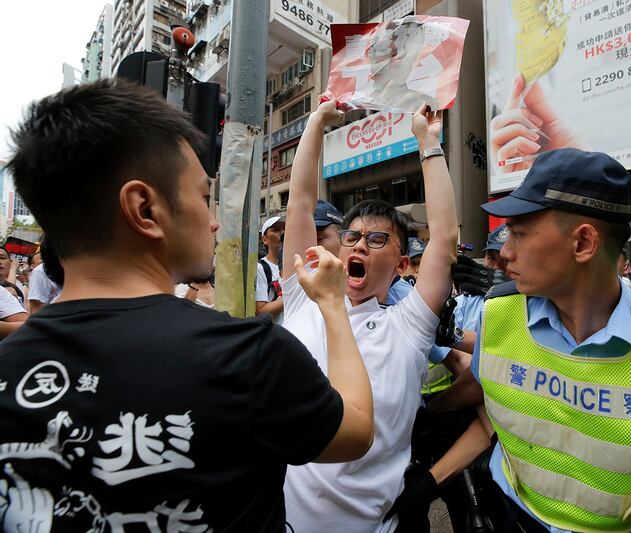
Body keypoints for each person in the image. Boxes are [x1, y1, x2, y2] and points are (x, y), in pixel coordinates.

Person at [0, 79, 375, 531]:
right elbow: (355, 431)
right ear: (144, 209)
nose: (214, 220)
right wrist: (333, 305)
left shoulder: (9, 368)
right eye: (202, 195)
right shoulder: (244, 355)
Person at [395, 148, 631, 532]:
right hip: (510, 519)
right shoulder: (499, 316)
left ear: (583, 244)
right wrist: (429, 430)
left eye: (519, 234)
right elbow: (485, 403)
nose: (505, 253)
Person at [280, 98, 458, 533]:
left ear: (402, 266)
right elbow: (300, 206)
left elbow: (445, 237)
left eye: (378, 239)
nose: (359, 245)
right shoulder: (304, 297)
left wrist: (427, 142)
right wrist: (318, 122)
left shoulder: (410, 327)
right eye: (352, 236)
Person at [256, 216, 285, 320]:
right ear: (265, 239)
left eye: (285, 229)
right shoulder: (261, 268)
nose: (282, 233)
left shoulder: (298, 265)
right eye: (276, 230)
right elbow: (261, 311)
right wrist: (291, 296)